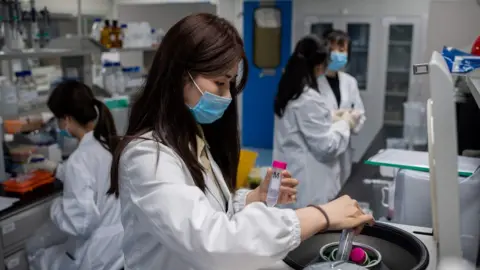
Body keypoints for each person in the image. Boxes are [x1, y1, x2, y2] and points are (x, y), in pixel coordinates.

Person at [108, 13, 373, 270]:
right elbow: (211, 241)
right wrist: (320, 216)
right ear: (179, 75)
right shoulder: (146, 157)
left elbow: (209, 209)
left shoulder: (190, 137)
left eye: (230, 84)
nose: (226, 96)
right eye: (219, 83)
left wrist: (253, 198)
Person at [25, 81, 124, 270]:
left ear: (67, 119)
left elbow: (81, 223)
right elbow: (95, 177)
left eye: (58, 119)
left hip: (95, 255)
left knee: (36, 253)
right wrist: (55, 168)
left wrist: (55, 208)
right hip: (119, 248)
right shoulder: (108, 144)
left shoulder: (79, 160)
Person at [273, 35, 359, 208]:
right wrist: (345, 123)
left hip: (286, 168)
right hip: (307, 185)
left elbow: (303, 122)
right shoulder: (308, 99)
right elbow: (327, 147)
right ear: (319, 66)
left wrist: (332, 115)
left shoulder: (290, 89)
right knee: (308, 228)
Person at [320, 29, 366, 185]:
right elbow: (315, 118)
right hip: (323, 149)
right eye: (332, 49)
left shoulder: (350, 82)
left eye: (341, 50)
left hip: (344, 148)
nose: (337, 54)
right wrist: (338, 118)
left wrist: (351, 121)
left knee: (343, 188)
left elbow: (360, 112)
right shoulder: (314, 82)